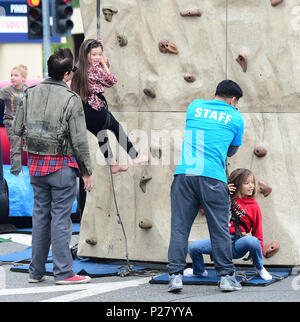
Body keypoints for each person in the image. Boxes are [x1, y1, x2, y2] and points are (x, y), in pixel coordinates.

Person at [13, 48, 94, 285]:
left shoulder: (30, 92)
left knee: (40, 218)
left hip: (36, 165)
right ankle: (64, 273)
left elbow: (17, 128)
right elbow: (79, 140)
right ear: (67, 74)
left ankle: (35, 272)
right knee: (61, 219)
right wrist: (87, 171)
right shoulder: (71, 99)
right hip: (61, 167)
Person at [167, 80, 244, 293]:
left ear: (215, 93)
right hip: (213, 177)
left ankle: (175, 277)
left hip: (185, 172)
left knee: (180, 228)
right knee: (219, 229)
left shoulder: (194, 106)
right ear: (233, 100)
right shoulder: (236, 117)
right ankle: (227, 278)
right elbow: (231, 151)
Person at [71, 38, 149, 174]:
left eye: (99, 54)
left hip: (83, 111)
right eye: (94, 54)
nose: (97, 58)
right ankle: (135, 156)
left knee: (101, 136)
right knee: (117, 128)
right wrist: (103, 63)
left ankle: (113, 164)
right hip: (96, 108)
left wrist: (101, 51)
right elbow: (111, 80)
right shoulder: (95, 69)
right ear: (86, 54)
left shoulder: (79, 68)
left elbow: (102, 66)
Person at [186, 168, 272, 281]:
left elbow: (258, 233)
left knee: (253, 241)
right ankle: (199, 271)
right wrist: (222, 191)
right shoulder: (226, 198)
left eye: (252, 182)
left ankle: (259, 268)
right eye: (246, 183)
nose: (251, 186)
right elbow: (204, 203)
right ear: (236, 185)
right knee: (193, 247)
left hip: (238, 243)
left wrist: (257, 254)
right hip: (220, 241)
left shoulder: (254, 206)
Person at [0, 65, 28, 175]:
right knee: (15, 147)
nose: (12, 77)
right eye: (11, 75)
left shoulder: (27, 90)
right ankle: (16, 171)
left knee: (29, 146)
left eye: (16, 75)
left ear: (24, 78)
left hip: (25, 122)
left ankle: (32, 170)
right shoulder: (6, 91)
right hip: (11, 122)